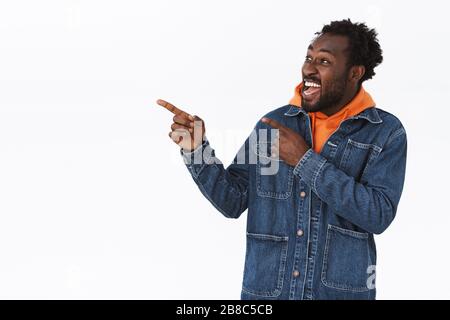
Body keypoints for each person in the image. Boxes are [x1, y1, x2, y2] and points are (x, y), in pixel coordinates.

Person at [156, 19, 407, 300]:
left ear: (354, 73)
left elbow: (378, 215)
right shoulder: (273, 125)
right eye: (309, 57)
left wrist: (303, 159)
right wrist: (196, 150)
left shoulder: (385, 132)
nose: (309, 68)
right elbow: (233, 201)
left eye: (324, 61)